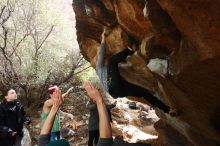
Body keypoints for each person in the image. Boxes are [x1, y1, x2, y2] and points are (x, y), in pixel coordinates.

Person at [96, 28, 179, 116]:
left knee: (144, 93)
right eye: (105, 60)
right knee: (112, 60)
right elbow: (101, 52)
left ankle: (168, 110)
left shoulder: (111, 72)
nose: (106, 61)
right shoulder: (99, 67)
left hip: (118, 91)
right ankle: (130, 49)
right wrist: (103, 37)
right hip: (112, 86)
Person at [83, 82, 113, 146]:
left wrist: (112, 105)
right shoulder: (91, 103)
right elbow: (89, 107)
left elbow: (107, 108)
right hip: (92, 126)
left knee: (97, 139)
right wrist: (97, 100)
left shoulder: (98, 102)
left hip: (99, 125)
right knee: (91, 140)